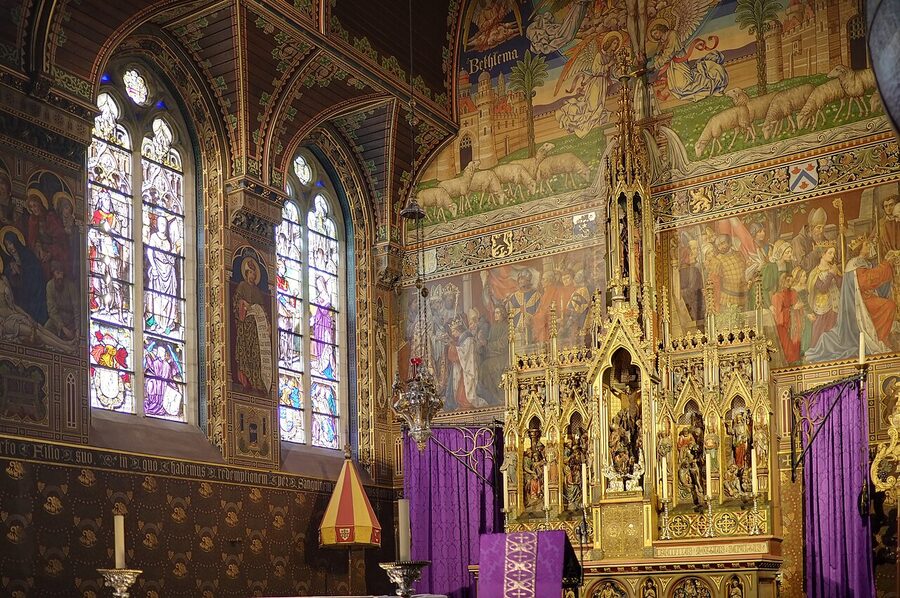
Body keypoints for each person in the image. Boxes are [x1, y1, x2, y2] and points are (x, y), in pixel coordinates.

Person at [806, 237, 900, 362]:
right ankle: (816, 355)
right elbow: (823, 288)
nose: (833, 256)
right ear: (822, 254)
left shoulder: (852, 265)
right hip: (828, 308)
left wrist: (836, 274)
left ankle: (880, 338)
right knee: (822, 330)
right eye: (830, 253)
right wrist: (831, 274)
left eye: (833, 253)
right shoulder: (817, 272)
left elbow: (841, 284)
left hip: (839, 305)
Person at [233, 255, 270, 391]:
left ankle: (255, 381)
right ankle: (244, 380)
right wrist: (243, 304)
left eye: (255, 274)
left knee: (255, 355)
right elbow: (236, 301)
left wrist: (267, 324)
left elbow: (263, 309)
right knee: (244, 352)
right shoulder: (242, 286)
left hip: (255, 328)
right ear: (247, 273)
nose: (253, 276)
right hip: (244, 326)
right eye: (251, 273)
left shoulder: (257, 291)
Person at [45, 262, 77, 340]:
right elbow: (51, 309)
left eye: (62, 273)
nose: (60, 276)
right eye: (58, 273)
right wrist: (62, 327)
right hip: (57, 318)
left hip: (71, 319)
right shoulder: (50, 286)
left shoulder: (71, 286)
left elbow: (77, 309)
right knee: (46, 331)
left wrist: (78, 329)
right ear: (53, 274)